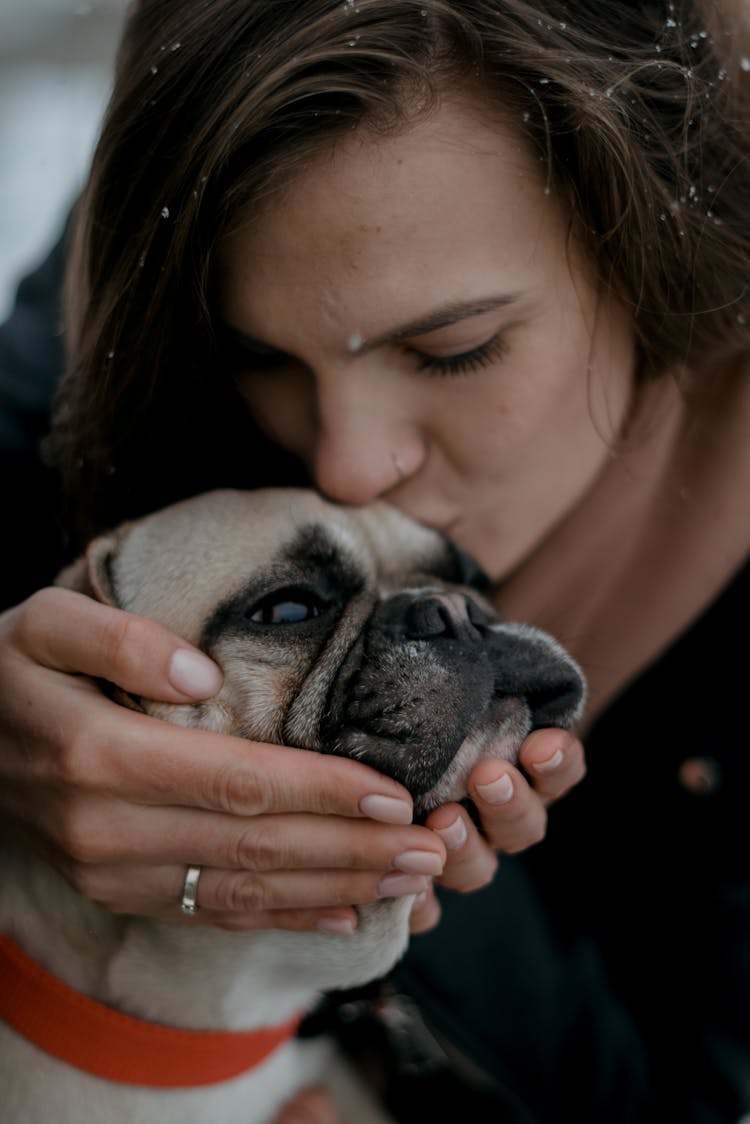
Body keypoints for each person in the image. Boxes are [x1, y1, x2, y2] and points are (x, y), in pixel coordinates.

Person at [1, 1, 749, 1121]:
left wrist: (409, 874)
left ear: (649, 250)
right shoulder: (159, 241)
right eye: (254, 355)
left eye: (453, 349)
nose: (347, 463)